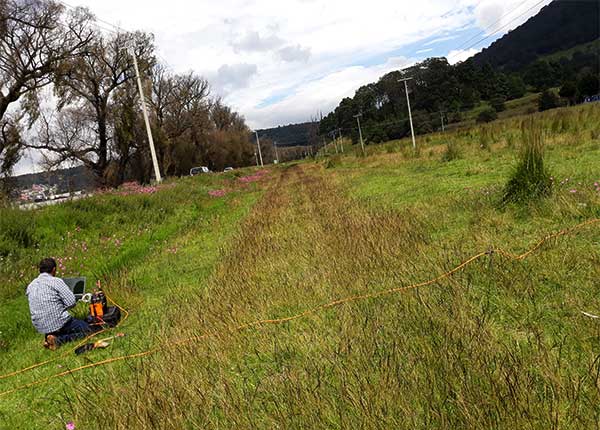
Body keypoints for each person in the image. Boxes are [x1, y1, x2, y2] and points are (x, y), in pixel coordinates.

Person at [26, 258, 96, 350]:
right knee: (89, 330)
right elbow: (71, 302)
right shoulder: (56, 281)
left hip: (41, 326)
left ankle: (50, 338)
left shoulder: (31, 285)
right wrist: (60, 306)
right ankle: (59, 340)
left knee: (60, 326)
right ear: (54, 269)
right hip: (58, 322)